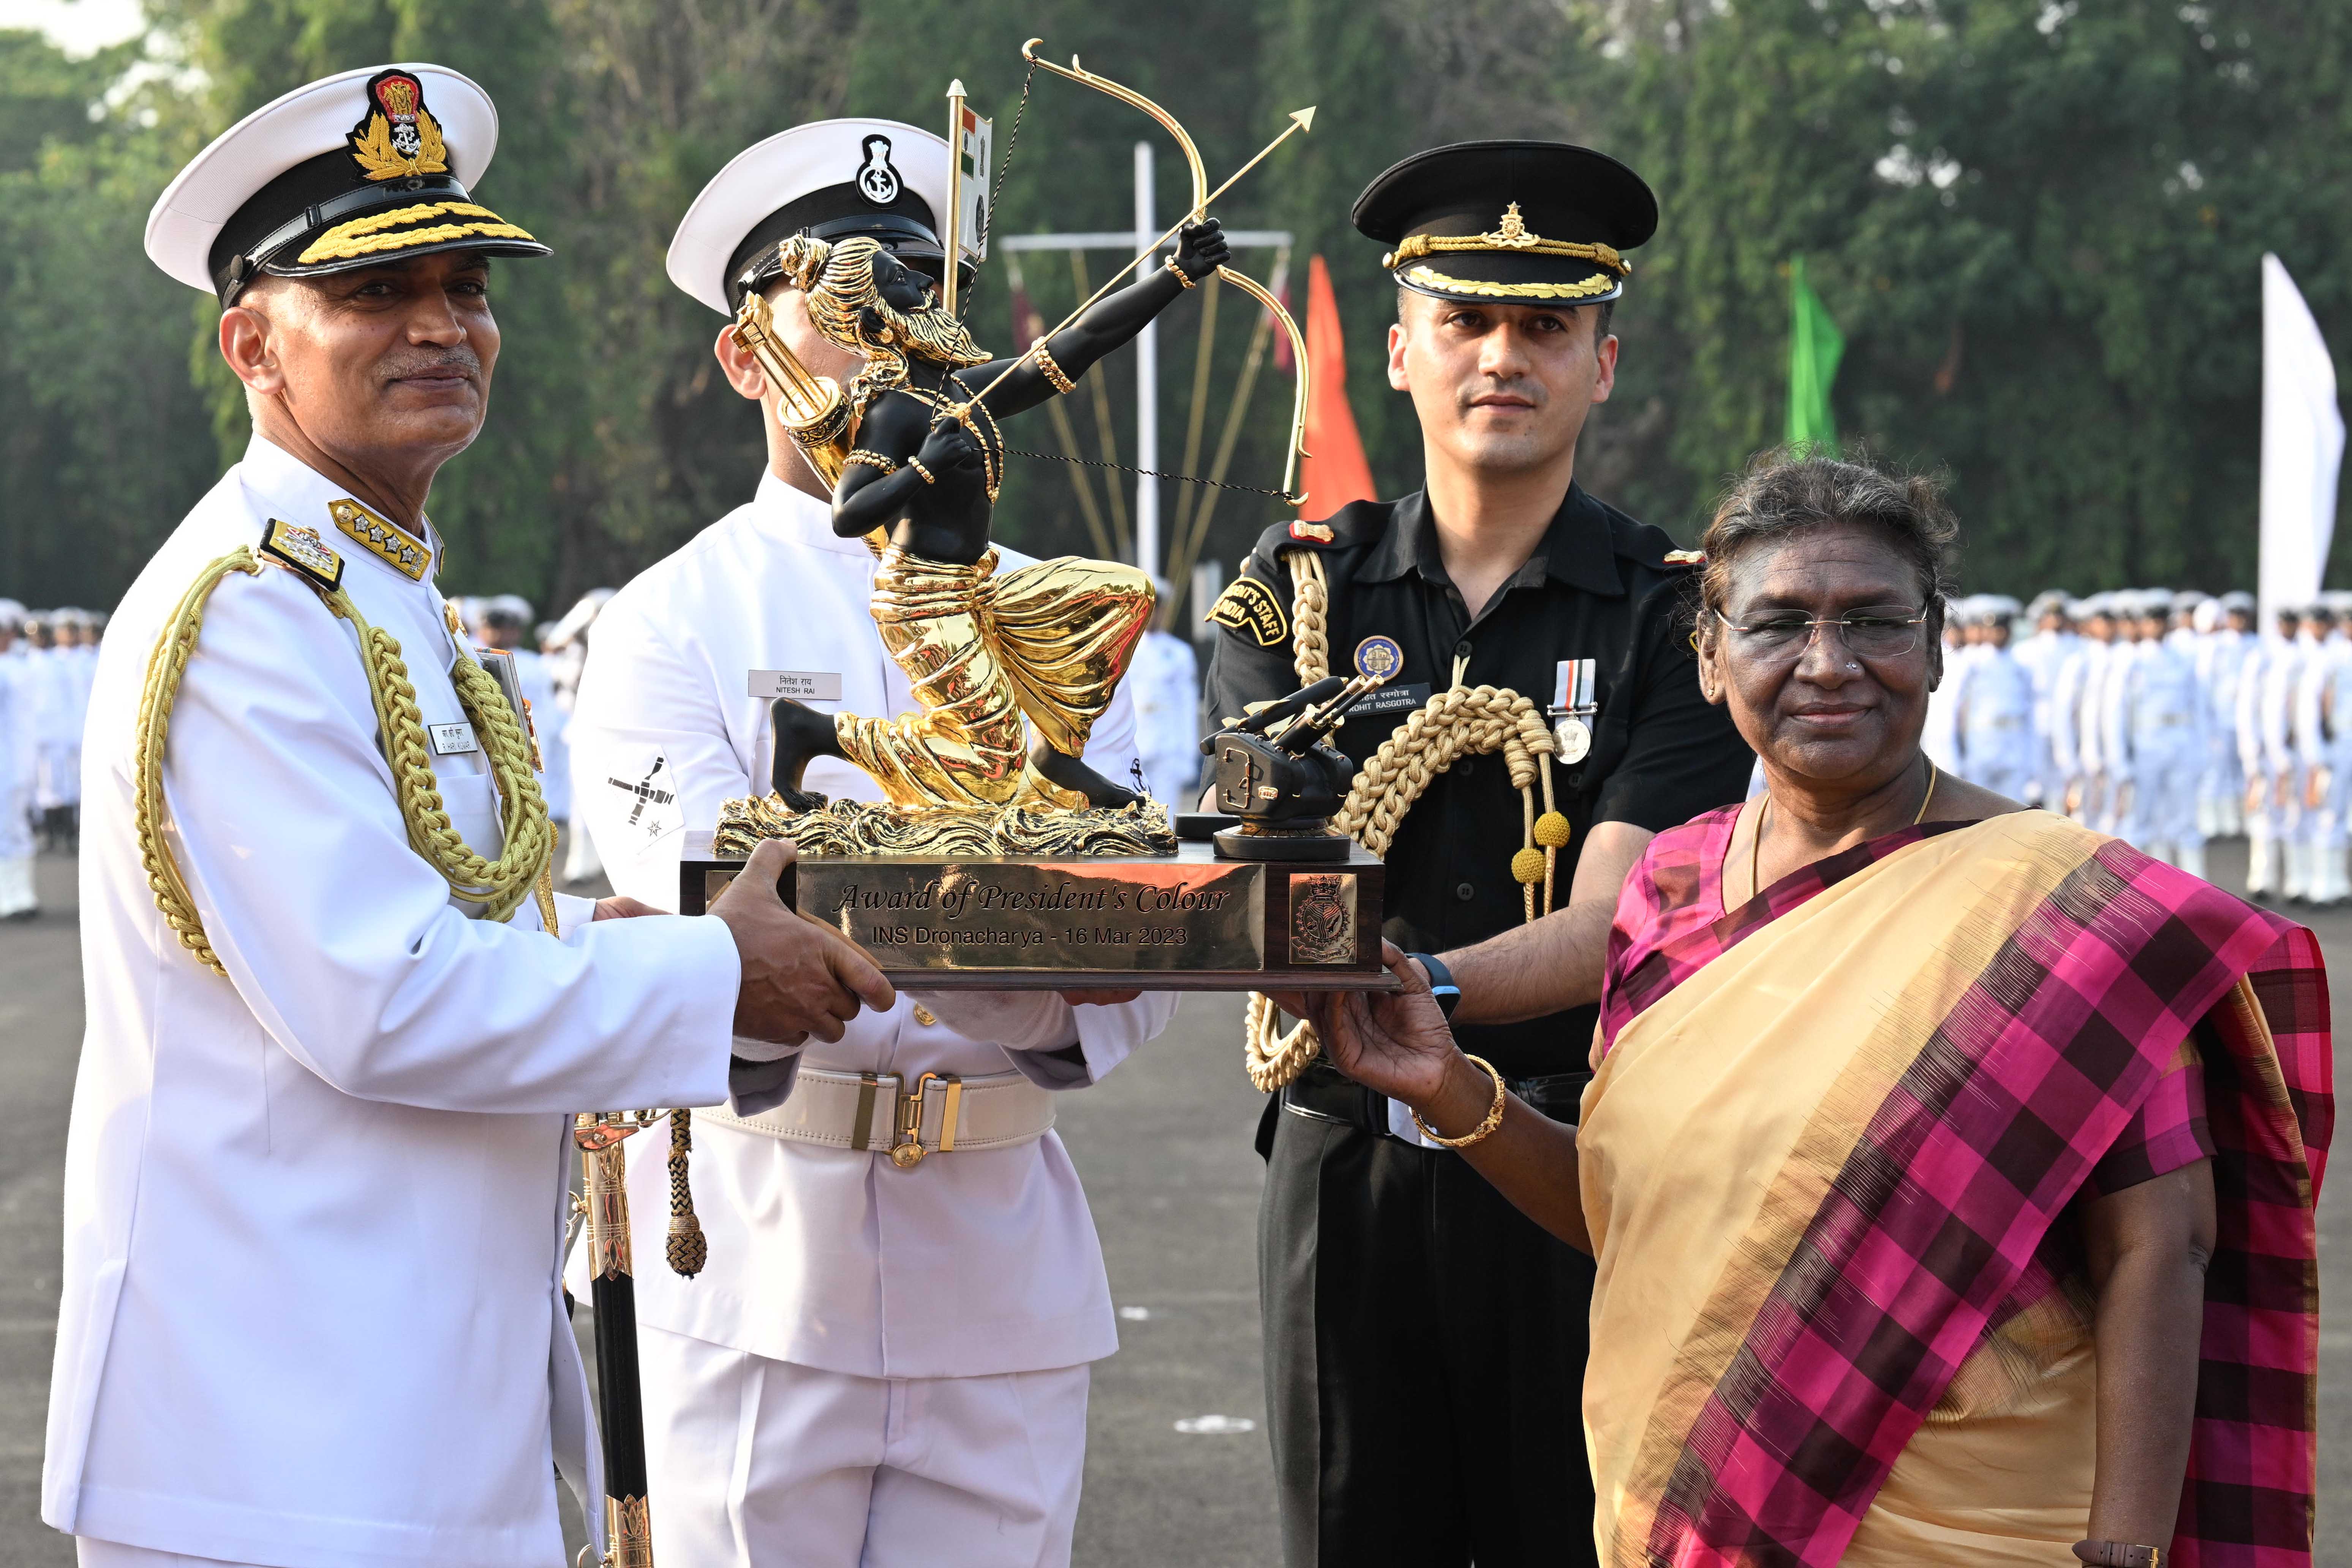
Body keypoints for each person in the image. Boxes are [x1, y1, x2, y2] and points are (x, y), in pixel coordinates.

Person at [44, 65, 896, 1568]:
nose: (443, 325)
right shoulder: (249, 613)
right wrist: (711, 970)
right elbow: (382, 998)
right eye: (376, 292)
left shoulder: (382, 589)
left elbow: (434, 924)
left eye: (467, 288)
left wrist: (606, 939)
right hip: (275, 1434)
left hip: (402, 1406)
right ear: (252, 343)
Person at [1297, 452, 2328, 1568]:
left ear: (1934, 644)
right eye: (1778, 622)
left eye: (1874, 621)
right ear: (1709, 655)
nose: (1829, 664)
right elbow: (1628, 1213)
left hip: (1974, 1523)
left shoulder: (2068, 912)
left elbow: (2157, 1248)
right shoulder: (1668, 888)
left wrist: (2127, 1547)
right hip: (1691, 1504)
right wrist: (1452, 1088)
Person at [565, 118, 1181, 1568]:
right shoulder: (668, 620)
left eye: (912, 296)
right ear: (746, 356)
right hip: (749, 1262)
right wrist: (1015, 928)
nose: (887, 341)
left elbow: (1142, 947)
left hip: (997, 1267)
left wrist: (1016, 953)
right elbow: (712, 929)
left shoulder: (1055, 613)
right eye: (843, 308)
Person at [1202, 141, 1753, 1568]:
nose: (1503, 356)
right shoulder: (1294, 591)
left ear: (1600, 365)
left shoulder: (1670, 618)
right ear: (1400, 353)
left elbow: (1617, 916)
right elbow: (1265, 876)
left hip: (1567, 1163)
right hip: (1343, 1160)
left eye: (1544, 326)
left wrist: (1420, 995)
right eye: (1465, 321)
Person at [2110, 590, 2208, 874]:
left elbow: (2199, 709)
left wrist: (2201, 752)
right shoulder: (2130, 661)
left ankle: (2195, 883)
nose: (2157, 626)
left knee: (2186, 820)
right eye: (2151, 621)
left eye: (2161, 620)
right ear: (2141, 624)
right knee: (2142, 821)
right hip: (2146, 745)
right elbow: (2116, 715)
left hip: (2181, 742)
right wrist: (2120, 760)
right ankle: (2143, 885)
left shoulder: (2183, 659)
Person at [1949, 593, 2035, 800]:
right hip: (1981, 740)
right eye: (1994, 629)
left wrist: (2032, 757)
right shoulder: (1970, 662)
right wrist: (1955, 754)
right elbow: (1954, 708)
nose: (1999, 634)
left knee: (2015, 807)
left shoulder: (2020, 664)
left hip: (2013, 742)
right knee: (1979, 806)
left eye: (2003, 629)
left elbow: (2030, 712)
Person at [1130, 576, 1205, 803]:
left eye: (1158, 610)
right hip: (1134, 743)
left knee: (1167, 810)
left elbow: (1187, 705)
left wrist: (1188, 754)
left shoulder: (1178, 652)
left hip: (1167, 743)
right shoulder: (1124, 649)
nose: (1153, 616)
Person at [0, 600, 35, 918]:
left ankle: (18, 895)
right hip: (13, 759)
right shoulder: (19, 666)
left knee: (12, 828)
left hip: (11, 761)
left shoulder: (17, 668)